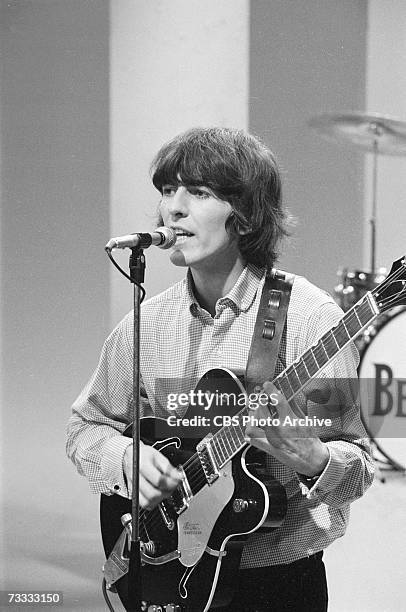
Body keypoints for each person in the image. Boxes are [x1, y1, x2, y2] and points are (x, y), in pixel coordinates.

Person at [66, 127, 374, 611]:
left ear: (246, 214)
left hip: (277, 587)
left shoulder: (311, 318)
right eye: (168, 191)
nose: (174, 208)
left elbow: (359, 467)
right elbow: (85, 427)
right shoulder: (146, 324)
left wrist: (314, 460)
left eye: (199, 192)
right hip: (170, 573)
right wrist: (126, 459)